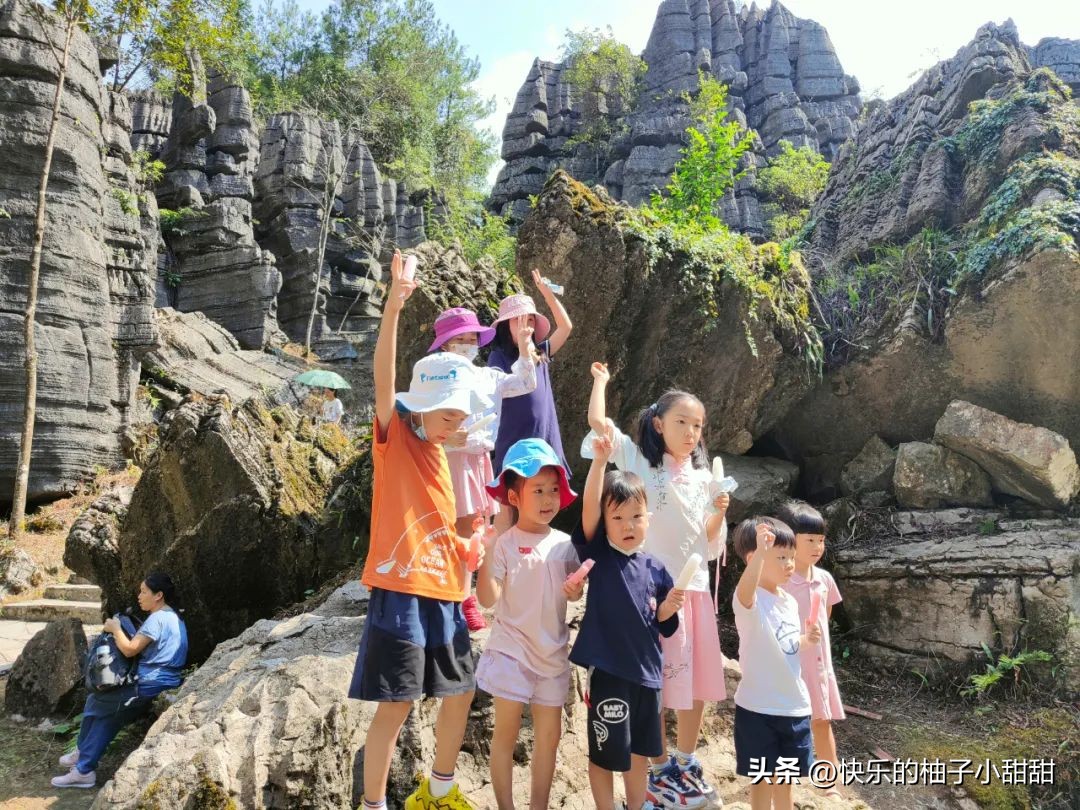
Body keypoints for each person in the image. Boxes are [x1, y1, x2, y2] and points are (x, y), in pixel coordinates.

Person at [349, 251, 492, 810]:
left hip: (446, 592)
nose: (458, 424)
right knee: (397, 703)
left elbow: (440, 531)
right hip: (401, 591)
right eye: (451, 414)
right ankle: (375, 802)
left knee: (461, 688)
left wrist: (470, 546)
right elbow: (383, 377)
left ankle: (438, 788)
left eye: (461, 416)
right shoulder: (397, 440)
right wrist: (395, 304)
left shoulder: (439, 456)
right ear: (425, 406)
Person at [584, 363, 729, 805]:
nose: (690, 432)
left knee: (697, 680)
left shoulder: (706, 479)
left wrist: (720, 509)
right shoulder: (638, 462)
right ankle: (658, 763)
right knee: (657, 683)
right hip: (649, 593)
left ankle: (684, 759)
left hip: (695, 590)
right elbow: (597, 426)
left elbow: (710, 544)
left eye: (698, 425)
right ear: (658, 423)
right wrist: (600, 383)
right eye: (682, 422)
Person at [571, 426, 682, 810]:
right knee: (604, 754)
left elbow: (666, 625)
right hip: (609, 672)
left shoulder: (657, 569)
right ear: (604, 523)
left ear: (649, 518)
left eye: (637, 516)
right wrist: (600, 461)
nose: (629, 526)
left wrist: (668, 611)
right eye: (618, 518)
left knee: (638, 754)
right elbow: (588, 507)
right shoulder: (599, 555)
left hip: (648, 675)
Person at [474, 438, 581, 810]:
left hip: (553, 655)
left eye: (554, 489)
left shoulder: (566, 544)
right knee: (504, 734)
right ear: (514, 497)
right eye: (538, 490)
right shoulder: (505, 543)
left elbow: (572, 596)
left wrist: (575, 588)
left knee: (548, 738)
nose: (549, 498)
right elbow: (487, 599)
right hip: (512, 651)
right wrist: (486, 552)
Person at [429, 306, 538, 631]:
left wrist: (523, 344)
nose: (466, 344)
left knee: (479, 529)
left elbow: (525, 381)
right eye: (459, 339)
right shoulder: (435, 377)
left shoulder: (487, 376)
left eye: (471, 338)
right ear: (445, 345)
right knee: (453, 528)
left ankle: (465, 596)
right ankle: (449, 596)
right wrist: (446, 434)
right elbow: (418, 421)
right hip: (447, 460)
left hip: (479, 460)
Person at [51, 572, 188, 789]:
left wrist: (115, 629)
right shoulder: (173, 616)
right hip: (160, 680)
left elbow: (131, 649)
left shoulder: (158, 618)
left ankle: (83, 765)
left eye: (144, 591)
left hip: (149, 683)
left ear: (158, 595)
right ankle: (83, 761)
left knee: (96, 702)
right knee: (104, 713)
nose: (139, 596)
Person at [731, 517, 821, 810]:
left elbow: (790, 646)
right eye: (781, 557)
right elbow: (745, 590)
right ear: (752, 559)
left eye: (792, 557)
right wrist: (760, 550)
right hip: (757, 708)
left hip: (793, 706)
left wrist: (808, 639)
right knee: (761, 778)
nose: (789, 564)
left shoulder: (789, 602)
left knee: (785, 778)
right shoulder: (749, 599)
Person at [488, 271, 573, 534]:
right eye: (518, 321)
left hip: (544, 438)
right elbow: (504, 388)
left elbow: (566, 327)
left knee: (542, 498)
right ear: (505, 327)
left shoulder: (541, 354)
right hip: (513, 441)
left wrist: (546, 293)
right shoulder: (497, 358)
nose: (526, 326)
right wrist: (523, 351)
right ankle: (496, 565)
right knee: (508, 505)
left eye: (530, 320)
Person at [777, 501, 844, 799]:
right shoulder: (781, 581)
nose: (817, 546)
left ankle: (829, 782)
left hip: (819, 666)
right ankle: (786, 784)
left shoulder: (824, 579)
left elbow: (825, 614)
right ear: (790, 541)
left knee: (822, 720)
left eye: (821, 540)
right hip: (791, 666)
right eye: (810, 540)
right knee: (790, 725)